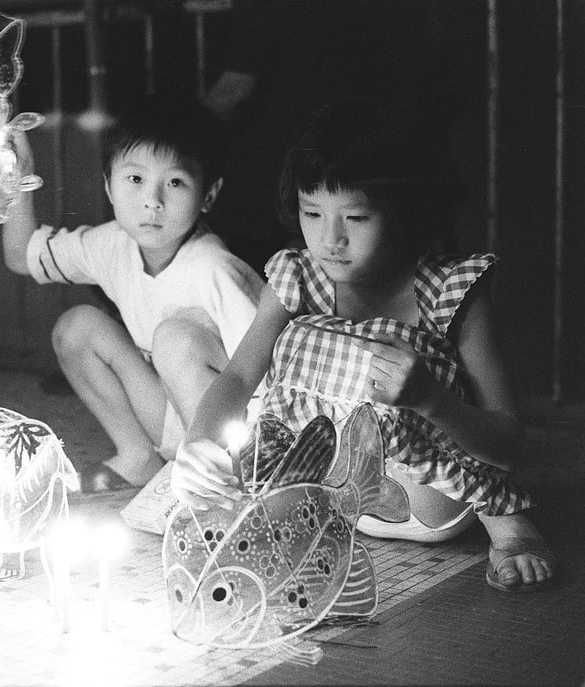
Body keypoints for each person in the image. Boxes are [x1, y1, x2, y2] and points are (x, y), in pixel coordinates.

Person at [172, 100, 555, 593]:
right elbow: (241, 377)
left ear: (404, 213)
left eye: (355, 217)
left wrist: (431, 400)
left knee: (378, 351)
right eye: (312, 213)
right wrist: (196, 444)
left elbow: (508, 446)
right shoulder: (296, 276)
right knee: (238, 470)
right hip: (322, 493)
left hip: (425, 501)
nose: (330, 239)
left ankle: (512, 531)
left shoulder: (448, 290)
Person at [2, 95, 265, 493]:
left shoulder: (215, 268)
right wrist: (18, 178)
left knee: (173, 340)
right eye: (135, 179)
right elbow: (23, 256)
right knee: (77, 327)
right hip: (171, 418)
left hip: (233, 434)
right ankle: (139, 457)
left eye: (175, 182)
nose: (151, 201)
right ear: (109, 185)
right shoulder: (114, 244)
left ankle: (217, 478)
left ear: (208, 194)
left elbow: (267, 376)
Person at [202, 0, 458, 273]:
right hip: (379, 151)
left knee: (293, 272)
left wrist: (178, 133)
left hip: (290, 164)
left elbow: (235, 91)